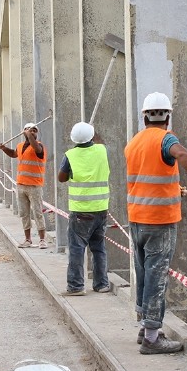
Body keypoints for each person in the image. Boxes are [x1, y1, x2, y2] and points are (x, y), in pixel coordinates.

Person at [125, 93, 187, 355]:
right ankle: (152, 338)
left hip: (136, 218)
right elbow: (182, 154)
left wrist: (171, 188)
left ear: (144, 116)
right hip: (160, 221)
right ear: (167, 115)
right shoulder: (167, 139)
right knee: (157, 276)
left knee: (143, 272)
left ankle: (145, 327)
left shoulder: (134, 143)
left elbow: (147, 177)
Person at [57, 121, 110, 296]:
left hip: (81, 210)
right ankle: (101, 284)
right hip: (101, 208)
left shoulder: (70, 155)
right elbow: (98, 141)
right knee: (99, 247)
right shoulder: (102, 150)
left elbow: (61, 178)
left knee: (77, 248)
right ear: (92, 136)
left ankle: (76, 286)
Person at [0, 122, 48, 248]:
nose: (32, 132)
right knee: (24, 213)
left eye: (34, 130)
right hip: (21, 185)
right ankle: (28, 239)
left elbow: (36, 149)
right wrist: (4, 148)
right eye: (29, 130)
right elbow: (14, 154)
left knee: (37, 212)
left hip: (35, 186)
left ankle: (42, 240)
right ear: (23, 131)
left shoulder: (39, 147)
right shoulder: (20, 146)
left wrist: (29, 135)